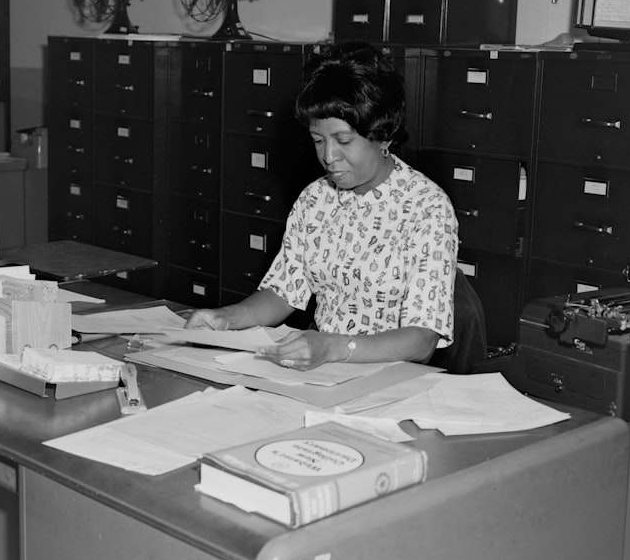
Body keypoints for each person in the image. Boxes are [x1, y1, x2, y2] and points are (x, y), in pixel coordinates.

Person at [185, 41, 458, 370]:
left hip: (390, 375)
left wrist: (335, 348)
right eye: (318, 141)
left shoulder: (426, 207)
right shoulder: (316, 198)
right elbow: (284, 292)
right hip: (323, 367)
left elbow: (422, 339)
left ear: (384, 137)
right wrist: (226, 318)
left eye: (343, 141)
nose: (328, 157)